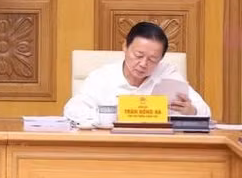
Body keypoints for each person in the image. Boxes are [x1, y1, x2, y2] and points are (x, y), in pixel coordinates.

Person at [64, 21, 210, 124]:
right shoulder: (102, 77)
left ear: (161, 59)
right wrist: (110, 117)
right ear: (125, 47)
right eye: (138, 55)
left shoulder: (168, 74)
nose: (143, 64)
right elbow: (72, 110)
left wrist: (191, 111)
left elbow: (205, 112)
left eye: (153, 59)